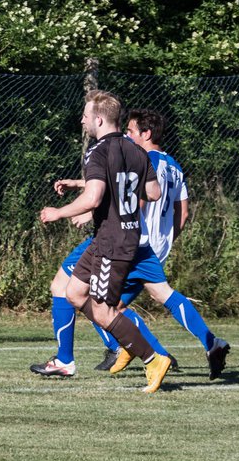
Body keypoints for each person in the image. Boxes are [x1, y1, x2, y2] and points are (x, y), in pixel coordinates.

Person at [32, 108, 229, 381]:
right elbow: (181, 213)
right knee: (163, 295)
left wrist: (88, 211)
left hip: (120, 237)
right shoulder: (174, 165)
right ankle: (210, 342)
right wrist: (167, 241)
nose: (127, 135)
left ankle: (128, 353)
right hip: (153, 244)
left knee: (71, 290)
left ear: (145, 134)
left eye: (132, 131)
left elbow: (132, 197)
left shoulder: (138, 155)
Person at [35, 91, 173, 394]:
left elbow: (94, 196)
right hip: (109, 237)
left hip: (114, 241)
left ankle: (153, 358)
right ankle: (111, 344)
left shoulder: (96, 151)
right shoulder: (136, 150)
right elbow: (153, 193)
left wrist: (59, 212)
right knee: (71, 292)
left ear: (98, 119)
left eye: (86, 115)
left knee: (102, 310)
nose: (82, 120)